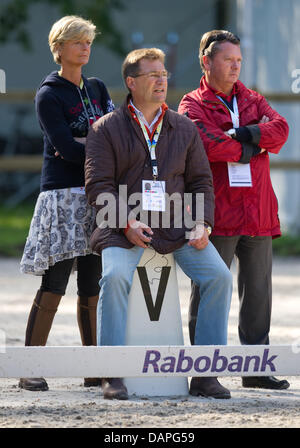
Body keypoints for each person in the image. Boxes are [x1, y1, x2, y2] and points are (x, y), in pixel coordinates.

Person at [85, 47, 233, 400]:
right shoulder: (105, 129)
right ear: (131, 82)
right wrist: (125, 223)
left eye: (164, 73)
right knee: (115, 277)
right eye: (153, 75)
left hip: (178, 225)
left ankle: (205, 373)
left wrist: (202, 223)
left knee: (219, 276)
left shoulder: (183, 127)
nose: (162, 80)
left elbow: (201, 182)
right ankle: (112, 372)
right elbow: (98, 187)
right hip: (122, 228)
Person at [178, 29, 290, 390]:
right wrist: (252, 146)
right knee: (210, 289)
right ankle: (203, 372)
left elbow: (281, 130)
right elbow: (205, 144)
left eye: (238, 60)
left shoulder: (252, 98)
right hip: (219, 212)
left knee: (258, 293)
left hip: (257, 210)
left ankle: (256, 370)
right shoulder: (191, 103)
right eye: (228, 60)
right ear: (206, 61)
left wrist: (242, 135)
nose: (235, 67)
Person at [19, 15, 114, 391]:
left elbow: (111, 133)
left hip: (96, 195)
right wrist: (100, 148)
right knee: (54, 283)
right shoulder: (48, 94)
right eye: (77, 41)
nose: (85, 47)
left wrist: (92, 147)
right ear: (58, 48)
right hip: (61, 196)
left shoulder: (97, 87)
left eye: (88, 41)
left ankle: (94, 368)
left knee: (93, 284)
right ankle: (29, 367)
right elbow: (64, 148)